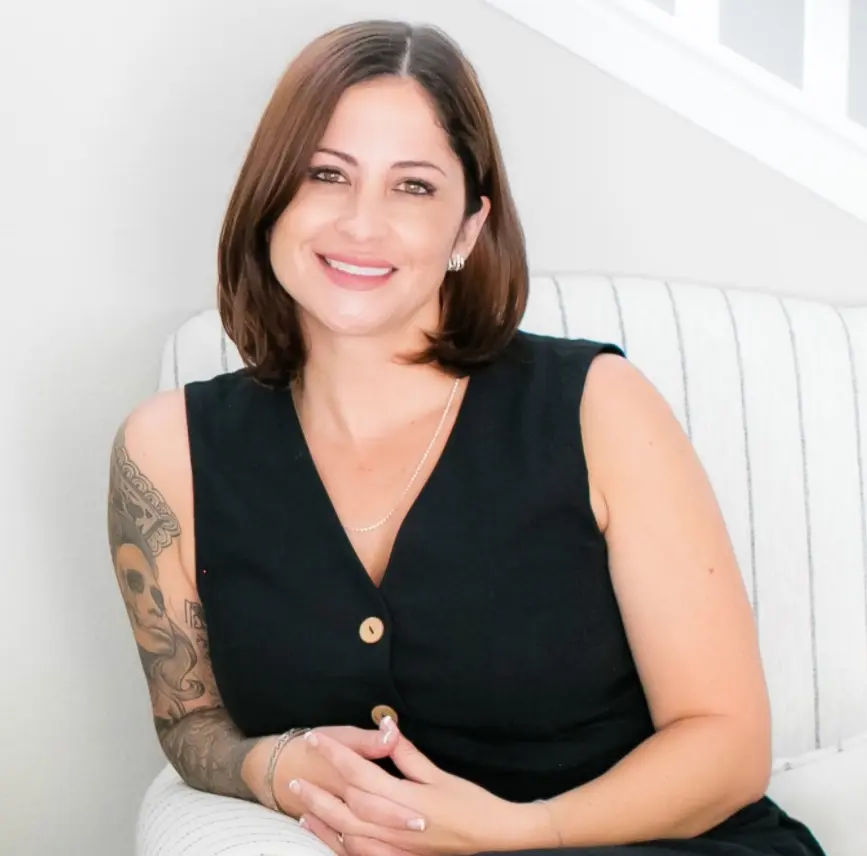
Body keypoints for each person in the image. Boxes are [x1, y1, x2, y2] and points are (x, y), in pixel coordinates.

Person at [108, 18, 827, 856]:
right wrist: (268, 767)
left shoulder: (598, 406)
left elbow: (726, 746)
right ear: (271, 198)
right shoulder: (166, 453)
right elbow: (191, 720)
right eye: (325, 175)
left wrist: (523, 832)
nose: (361, 224)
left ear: (466, 229)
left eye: (411, 186)